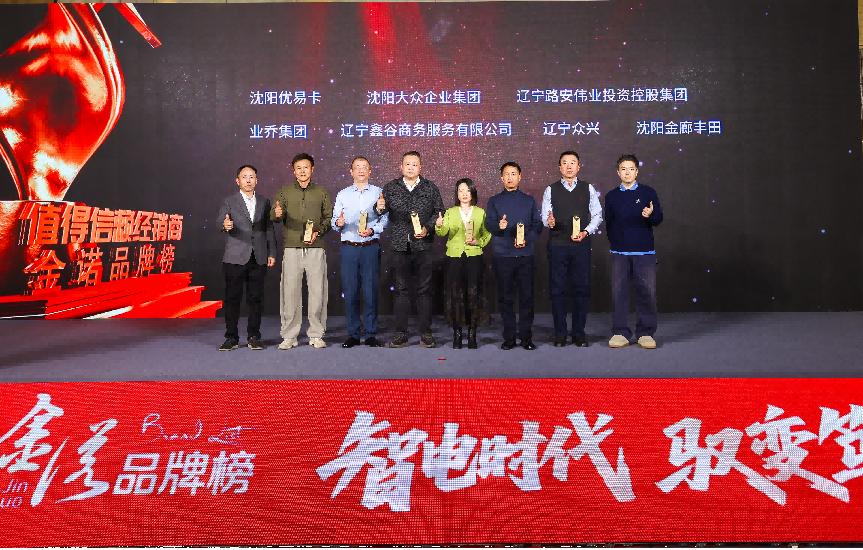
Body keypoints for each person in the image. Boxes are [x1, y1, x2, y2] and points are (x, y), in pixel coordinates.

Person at [381, 151, 445, 348]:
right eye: (407, 164)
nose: (410, 167)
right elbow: (380, 210)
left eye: (414, 164)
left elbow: (439, 211)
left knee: (424, 290)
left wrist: (428, 228)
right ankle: (400, 333)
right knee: (401, 290)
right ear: (401, 167)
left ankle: (425, 333)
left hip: (423, 245)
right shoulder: (391, 187)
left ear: (420, 167)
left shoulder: (430, 187)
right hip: (399, 245)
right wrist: (379, 207)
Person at [271, 153, 333, 349]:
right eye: (298, 168)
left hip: (316, 247)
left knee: (317, 292)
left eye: (306, 167)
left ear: (312, 169)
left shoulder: (321, 192)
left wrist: (318, 232)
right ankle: (289, 335)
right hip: (292, 247)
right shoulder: (284, 191)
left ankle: (316, 334)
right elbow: (274, 214)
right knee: (290, 293)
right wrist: (277, 214)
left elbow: (328, 218)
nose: (302, 171)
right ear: (293, 171)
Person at [541, 150, 603, 347]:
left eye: (572, 162)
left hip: (580, 245)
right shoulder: (550, 189)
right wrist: (549, 222)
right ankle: (560, 334)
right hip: (557, 245)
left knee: (581, 288)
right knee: (557, 289)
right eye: (565, 163)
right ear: (559, 167)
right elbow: (545, 218)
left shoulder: (588, 188)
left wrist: (586, 231)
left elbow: (597, 215)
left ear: (579, 166)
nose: (569, 166)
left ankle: (579, 333)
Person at [605, 154, 663, 349]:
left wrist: (650, 215)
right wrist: (616, 243)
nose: (627, 172)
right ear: (618, 172)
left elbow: (658, 219)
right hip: (619, 253)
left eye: (631, 169)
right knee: (618, 293)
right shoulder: (611, 196)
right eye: (623, 169)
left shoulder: (648, 192)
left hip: (644, 252)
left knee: (647, 292)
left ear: (636, 172)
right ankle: (620, 332)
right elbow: (609, 223)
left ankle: (645, 333)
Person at [217, 164, 276, 351]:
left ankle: (254, 336)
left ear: (257, 180)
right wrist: (225, 225)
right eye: (244, 177)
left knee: (255, 299)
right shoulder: (229, 201)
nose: (248, 180)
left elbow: (268, 228)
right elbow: (220, 221)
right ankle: (231, 338)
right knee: (232, 298)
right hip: (235, 257)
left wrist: (272, 252)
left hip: (259, 256)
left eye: (252, 177)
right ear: (237, 181)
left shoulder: (264, 201)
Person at [485, 162, 543, 350]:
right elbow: (489, 225)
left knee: (527, 298)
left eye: (513, 173)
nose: (510, 177)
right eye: (506, 174)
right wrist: (499, 227)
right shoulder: (494, 201)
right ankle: (509, 337)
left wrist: (527, 239)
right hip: (503, 256)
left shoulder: (529, 201)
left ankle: (526, 337)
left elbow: (537, 224)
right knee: (505, 298)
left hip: (525, 255)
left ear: (520, 176)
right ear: (501, 178)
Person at [331, 156, 389, 348]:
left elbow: (385, 219)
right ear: (351, 172)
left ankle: (371, 333)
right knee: (350, 291)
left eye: (365, 167)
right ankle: (353, 334)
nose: (361, 170)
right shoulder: (343, 194)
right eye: (357, 167)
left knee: (370, 291)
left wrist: (373, 230)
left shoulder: (379, 193)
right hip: (349, 248)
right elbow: (334, 222)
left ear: (370, 171)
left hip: (370, 246)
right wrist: (338, 223)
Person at [434, 178, 492, 349]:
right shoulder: (450, 212)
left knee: (473, 294)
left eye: (467, 190)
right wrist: (439, 225)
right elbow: (443, 232)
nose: (464, 194)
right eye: (461, 190)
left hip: (474, 256)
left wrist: (478, 242)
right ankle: (457, 333)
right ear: (457, 194)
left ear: (472, 192)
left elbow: (487, 233)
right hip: (454, 257)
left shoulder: (480, 212)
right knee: (455, 294)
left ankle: (472, 333)